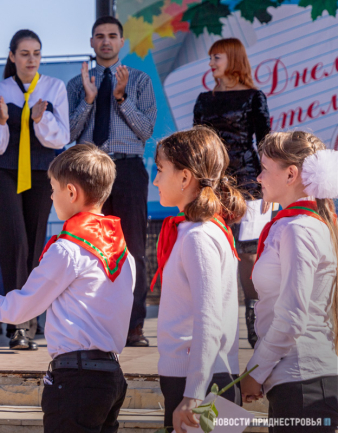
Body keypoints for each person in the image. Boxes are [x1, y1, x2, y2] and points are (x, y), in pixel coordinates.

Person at [0, 144, 135, 433]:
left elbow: (19, 309)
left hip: (77, 379)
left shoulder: (67, 250)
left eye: (53, 188)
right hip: (112, 376)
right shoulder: (123, 252)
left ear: (71, 192)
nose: (50, 195)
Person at [0, 29, 69, 350]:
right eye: (25, 53)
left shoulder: (54, 88)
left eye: (36, 53)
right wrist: (2, 121)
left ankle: (29, 319)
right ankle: (18, 324)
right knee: (13, 240)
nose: (32, 59)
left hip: (42, 171)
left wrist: (42, 120)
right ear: (12, 56)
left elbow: (61, 138)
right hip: (4, 172)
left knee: (34, 242)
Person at [67, 16, 156, 347]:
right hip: (89, 170)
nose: (106, 41)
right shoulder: (77, 84)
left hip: (128, 169)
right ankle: (92, 322)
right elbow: (68, 133)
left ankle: (133, 326)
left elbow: (145, 130)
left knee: (132, 249)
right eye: (100, 36)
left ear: (121, 42)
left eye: (112, 36)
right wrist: (89, 100)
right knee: (88, 249)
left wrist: (121, 98)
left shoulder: (140, 81)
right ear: (92, 42)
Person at [241, 131, 338, 433]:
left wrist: (255, 371)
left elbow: (292, 317)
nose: (258, 178)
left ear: (291, 174)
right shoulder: (297, 226)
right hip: (296, 382)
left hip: (304, 383)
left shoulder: (299, 229)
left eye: (264, 169)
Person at [152, 127, 246, 433]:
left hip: (201, 384)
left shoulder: (199, 235)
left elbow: (209, 320)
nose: (155, 180)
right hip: (202, 380)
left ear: (185, 177)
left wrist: (193, 394)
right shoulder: (200, 230)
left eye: (160, 170)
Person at [193, 37, 271, 348]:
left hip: (249, 182)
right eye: (210, 57)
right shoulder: (204, 99)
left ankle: (255, 321)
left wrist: (270, 184)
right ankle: (214, 322)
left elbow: (265, 143)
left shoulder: (254, 97)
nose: (211, 63)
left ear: (234, 59)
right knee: (212, 251)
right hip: (211, 184)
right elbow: (196, 146)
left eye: (217, 57)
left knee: (249, 253)